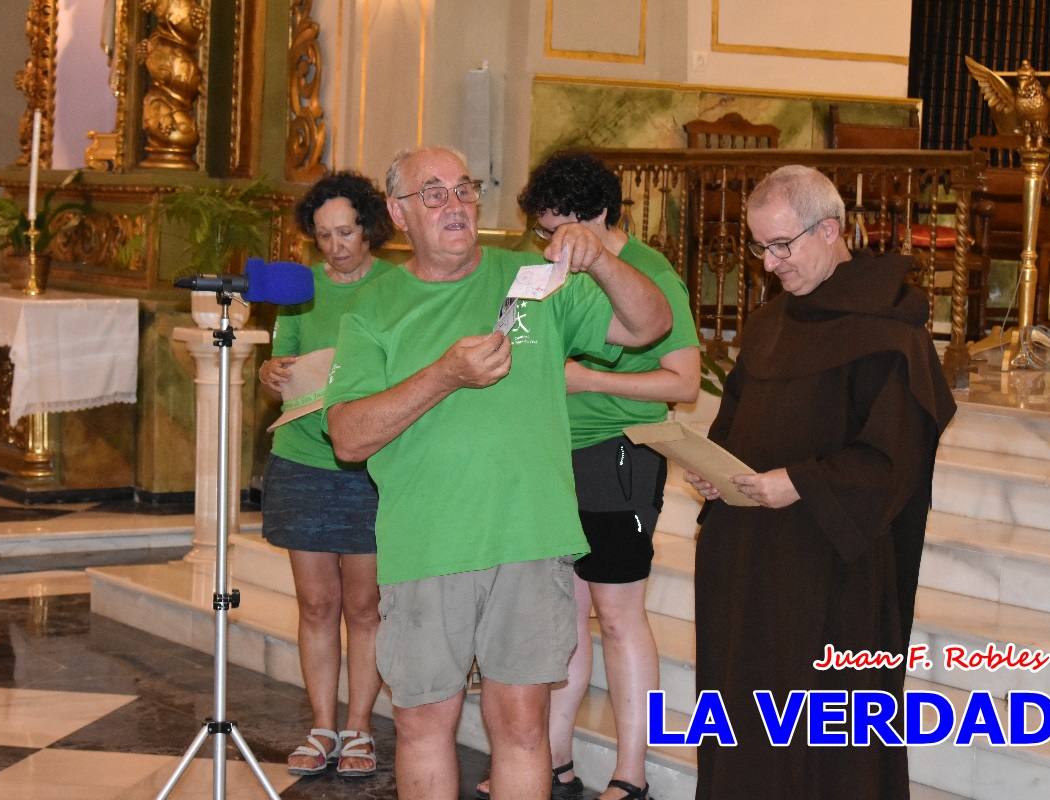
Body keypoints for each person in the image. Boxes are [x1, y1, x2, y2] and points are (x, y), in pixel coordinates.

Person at [323, 146, 671, 800]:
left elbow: (650, 325)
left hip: (529, 540)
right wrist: (444, 376)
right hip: (428, 544)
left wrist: (599, 258)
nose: (454, 205)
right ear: (399, 214)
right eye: (432, 194)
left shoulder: (534, 279)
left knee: (521, 724)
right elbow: (347, 436)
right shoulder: (376, 308)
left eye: (463, 188)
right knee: (424, 722)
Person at [684, 165, 956, 800]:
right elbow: (735, 425)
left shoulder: (890, 330)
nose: (769, 263)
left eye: (782, 245)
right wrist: (713, 469)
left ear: (829, 230)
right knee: (743, 712)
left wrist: (801, 483)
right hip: (748, 562)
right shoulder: (771, 324)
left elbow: (895, 457)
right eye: (759, 246)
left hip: (832, 566)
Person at [476, 153, 701, 800]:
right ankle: (556, 758)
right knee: (563, 616)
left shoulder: (652, 274)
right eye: (542, 232)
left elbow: (683, 383)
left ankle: (632, 773)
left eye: (560, 231)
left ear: (601, 217)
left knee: (619, 614)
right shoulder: (542, 266)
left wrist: (588, 378)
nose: (549, 245)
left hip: (618, 453)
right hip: (550, 454)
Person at [258, 171, 396, 779]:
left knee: (364, 607)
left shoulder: (399, 285)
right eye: (323, 236)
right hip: (303, 457)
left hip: (369, 466)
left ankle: (359, 728)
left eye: (346, 232)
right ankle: (321, 725)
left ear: (369, 228)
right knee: (317, 604)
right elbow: (280, 356)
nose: (336, 246)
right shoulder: (300, 286)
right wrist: (273, 372)